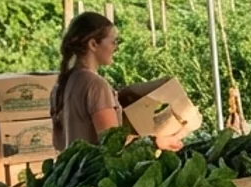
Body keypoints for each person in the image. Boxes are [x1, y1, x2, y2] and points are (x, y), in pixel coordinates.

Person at [50, 11, 182, 150]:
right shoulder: (95, 85)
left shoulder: (61, 85)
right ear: (93, 44)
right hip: (98, 172)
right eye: (113, 41)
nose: (115, 47)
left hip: (74, 171)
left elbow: (59, 142)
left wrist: (135, 90)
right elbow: (112, 145)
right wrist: (157, 142)